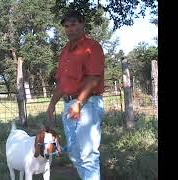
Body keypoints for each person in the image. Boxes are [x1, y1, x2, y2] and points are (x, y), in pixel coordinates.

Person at [46, 9, 105, 180]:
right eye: (66, 26)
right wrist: (51, 104)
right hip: (69, 105)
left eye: (73, 24)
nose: (70, 29)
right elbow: (62, 83)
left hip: (88, 104)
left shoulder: (92, 47)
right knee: (74, 154)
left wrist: (78, 103)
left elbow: (94, 78)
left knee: (88, 154)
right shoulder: (65, 51)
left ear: (82, 24)